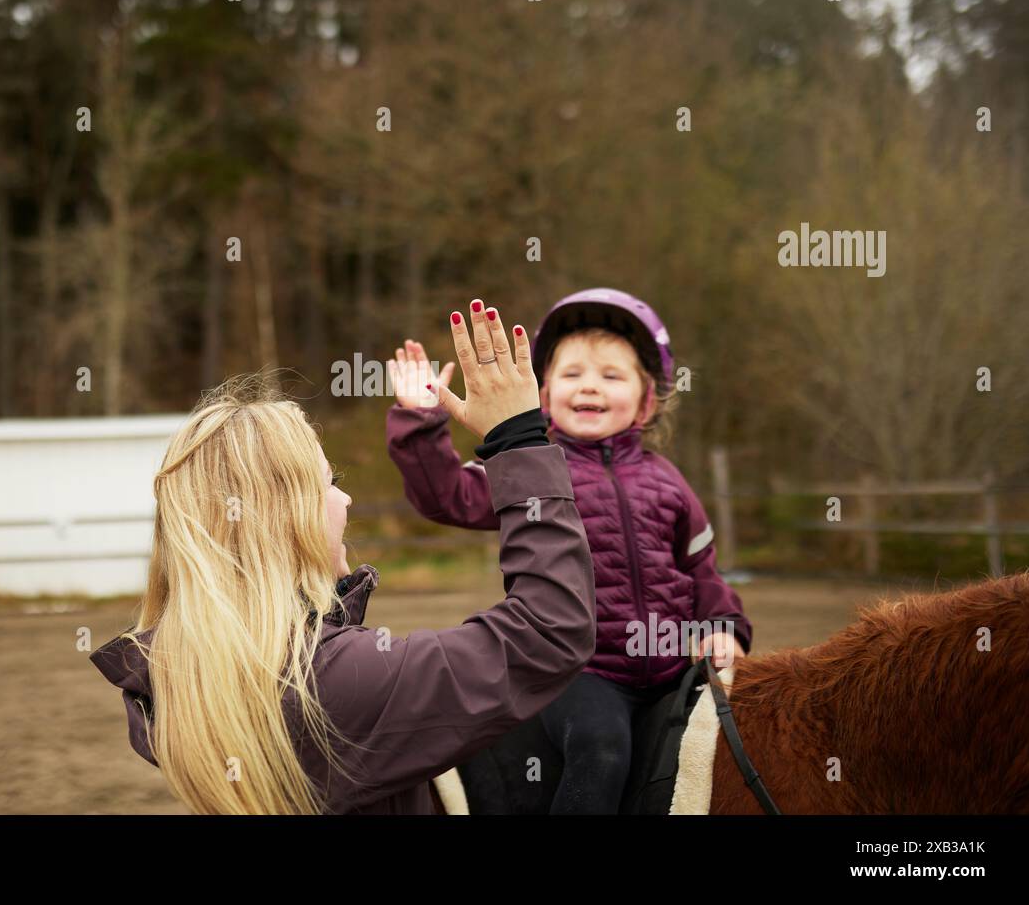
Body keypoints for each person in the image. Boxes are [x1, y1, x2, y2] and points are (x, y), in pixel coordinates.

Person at [90, 304, 597, 814]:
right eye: (329, 482)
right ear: (282, 516)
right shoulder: (337, 683)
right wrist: (517, 437)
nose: (346, 501)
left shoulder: (183, 679)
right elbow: (548, 632)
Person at [385, 288, 754, 813]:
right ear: (542, 394)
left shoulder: (670, 482)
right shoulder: (531, 467)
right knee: (601, 752)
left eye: (611, 375)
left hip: (673, 665)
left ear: (647, 399)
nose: (590, 387)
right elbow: (445, 497)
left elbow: (702, 570)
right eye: (573, 374)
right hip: (583, 672)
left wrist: (724, 626)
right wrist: (421, 423)